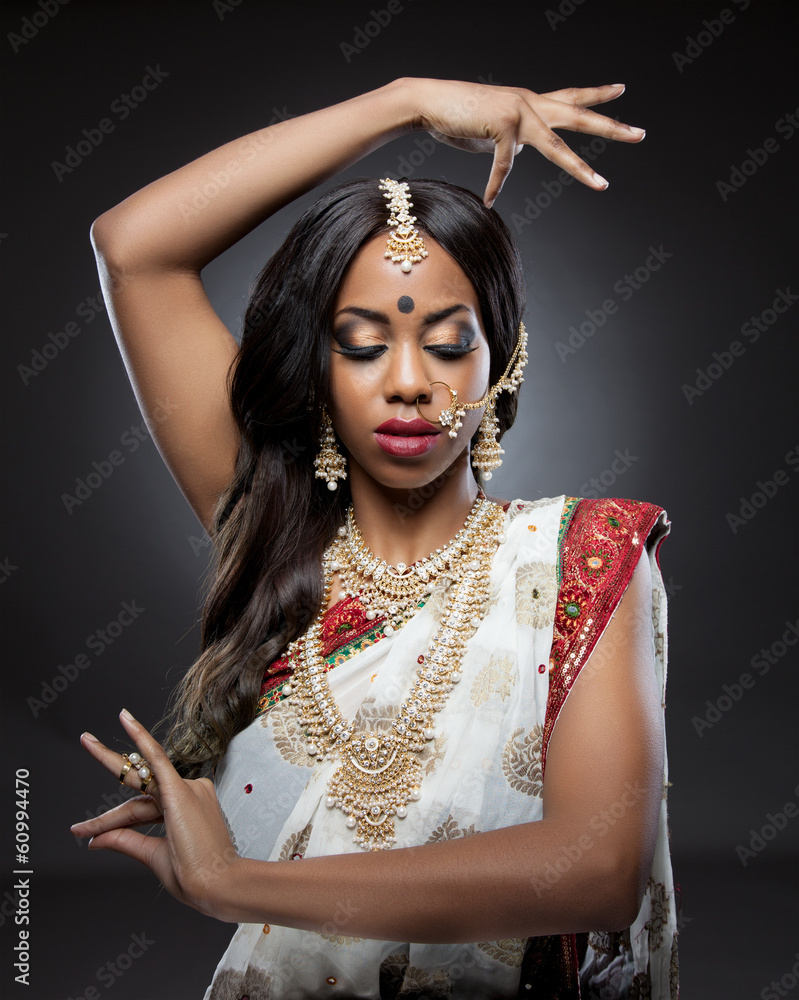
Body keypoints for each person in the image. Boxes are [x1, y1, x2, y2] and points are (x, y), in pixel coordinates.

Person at [70, 78, 678, 999]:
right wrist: (405, 101)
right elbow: (134, 245)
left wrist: (234, 883)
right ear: (312, 365)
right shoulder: (274, 538)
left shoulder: (580, 559)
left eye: (447, 342)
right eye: (358, 344)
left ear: (502, 357)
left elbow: (596, 871)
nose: (406, 383)